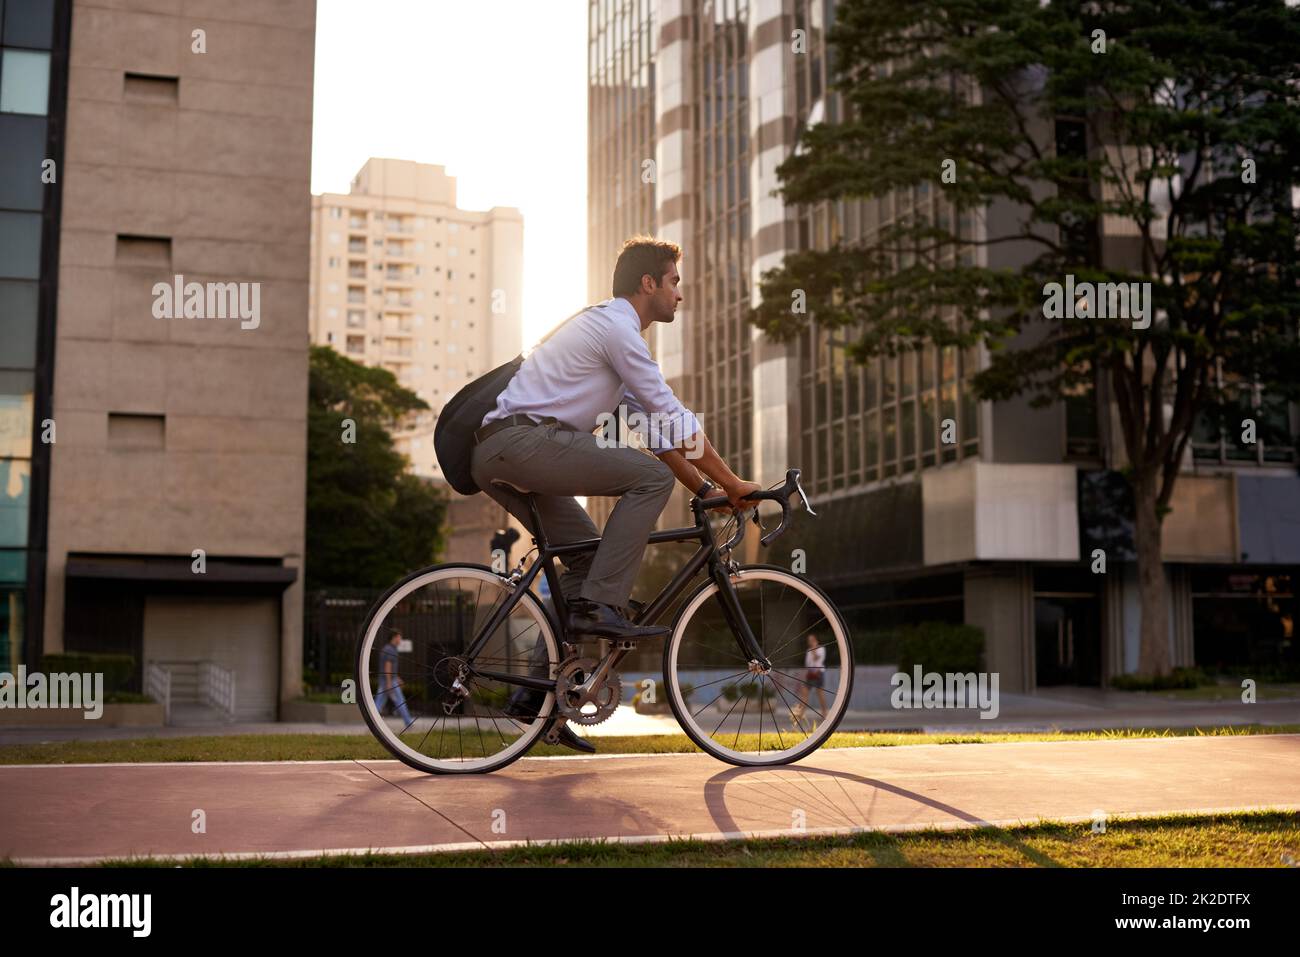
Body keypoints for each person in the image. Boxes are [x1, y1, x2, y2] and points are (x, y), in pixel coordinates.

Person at [470, 237, 761, 751]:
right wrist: (736, 484)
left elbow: (656, 431)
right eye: (674, 282)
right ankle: (600, 608)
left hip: (508, 451)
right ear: (648, 284)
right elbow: (671, 412)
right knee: (649, 481)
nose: (680, 294)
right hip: (521, 442)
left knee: (586, 565)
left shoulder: (611, 337)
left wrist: (710, 493)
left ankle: (539, 706)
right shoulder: (616, 327)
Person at [374, 629, 414, 727]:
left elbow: (389, 668)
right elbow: (387, 666)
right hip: (389, 681)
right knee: (400, 701)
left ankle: (372, 720)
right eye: (399, 637)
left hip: (389, 680)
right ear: (394, 637)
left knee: (379, 702)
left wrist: (397, 678)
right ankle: (408, 722)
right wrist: (389, 682)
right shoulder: (390, 649)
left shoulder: (387, 648)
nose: (400, 640)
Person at [792, 632, 828, 724]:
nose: (810, 642)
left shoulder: (821, 649)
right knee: (804, 693)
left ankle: (825, 713)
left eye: (812, 640)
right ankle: (800, 714)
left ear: (816, 640)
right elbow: (808, 664)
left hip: (819, 673)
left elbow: (818, 659)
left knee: (820, 694)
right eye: (809, 641)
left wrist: (814, 650)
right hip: (810, 674)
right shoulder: (808, 651)